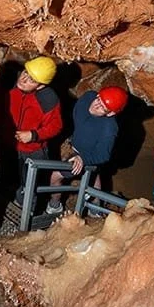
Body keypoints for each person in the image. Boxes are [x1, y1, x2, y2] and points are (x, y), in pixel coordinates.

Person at [46, 86, 128, 215]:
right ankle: (95, 210)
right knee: (94, 177)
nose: (96, 105)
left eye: (102, 107)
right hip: (74, 145)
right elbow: (78, 117)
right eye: (98, 99)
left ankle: (54, 205)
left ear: (111, 113)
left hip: (88, 156)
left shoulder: (109, 129)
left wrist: (83, 158)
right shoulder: (88, 97)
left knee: (55, 176)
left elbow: (103, 154)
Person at [9, 56, 63, 201]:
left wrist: (33, 135)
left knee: (30, 184)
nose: (24, 79)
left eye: (31, 80)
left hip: (33, 150)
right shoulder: (14, 85)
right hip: (12, 145)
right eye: (25, 72)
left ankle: (29, 210)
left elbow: (56, 126)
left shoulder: (48, 99)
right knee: (16, 177)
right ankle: (17, 196)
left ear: (40, 86)